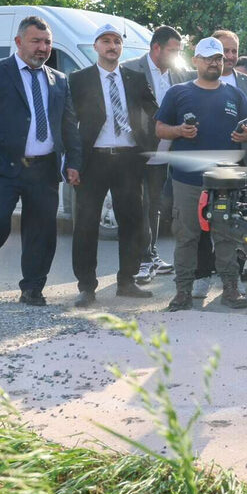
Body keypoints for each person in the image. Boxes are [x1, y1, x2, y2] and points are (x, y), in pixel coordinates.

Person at [0, 15, 82, 306]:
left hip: (45, 168)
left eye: (47, 42)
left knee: (41, 231)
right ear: (18, 42)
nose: (42, 47)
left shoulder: (59, 80)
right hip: (3, 167)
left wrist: (73, 161)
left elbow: (68, 125)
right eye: (36, 41)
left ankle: (33, 289)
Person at [156, 38, 247, 311]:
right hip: (187, 180)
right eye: (209, 57)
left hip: (225, 181)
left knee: (225, 237)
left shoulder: (235, 95)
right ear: (195, 61)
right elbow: (160, 128)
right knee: (186, 236)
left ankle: (230, 289)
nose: (215, 62)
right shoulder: (178, 92)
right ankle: (182, 292)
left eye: (219, 58)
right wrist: (179, 131)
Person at [68, 24, 159, 308]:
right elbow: (68, 122)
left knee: (132, 222)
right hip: (93, 159)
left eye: (117, 42)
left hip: (129, 159)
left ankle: (126, 281)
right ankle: (86, 286)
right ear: (95, 46)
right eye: (106, 41)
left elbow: (155, 113)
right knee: (86, 224)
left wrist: (151, 149)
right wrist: (71, 161)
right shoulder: (79, 79)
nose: (112, 46)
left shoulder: (134, 78)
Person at [193, 29, 247, 302]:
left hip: (238, 167)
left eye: (233, 51)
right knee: (202, 225)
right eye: (225, 52)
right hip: (203, 169)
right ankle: (201, 276)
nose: (230, 57)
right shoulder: (191, 85)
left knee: (235, 223)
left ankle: (232, 281)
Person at [124, 25, 190, 283]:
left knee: (155, 204)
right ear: (156, 48)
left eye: (179, 51)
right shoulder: (130, 69)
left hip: (165, 150)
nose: (176, 56)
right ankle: (141, 260)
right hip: (138, 150)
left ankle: (150, 255)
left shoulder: (178, 74)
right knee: (138, 205)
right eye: (173, 51)